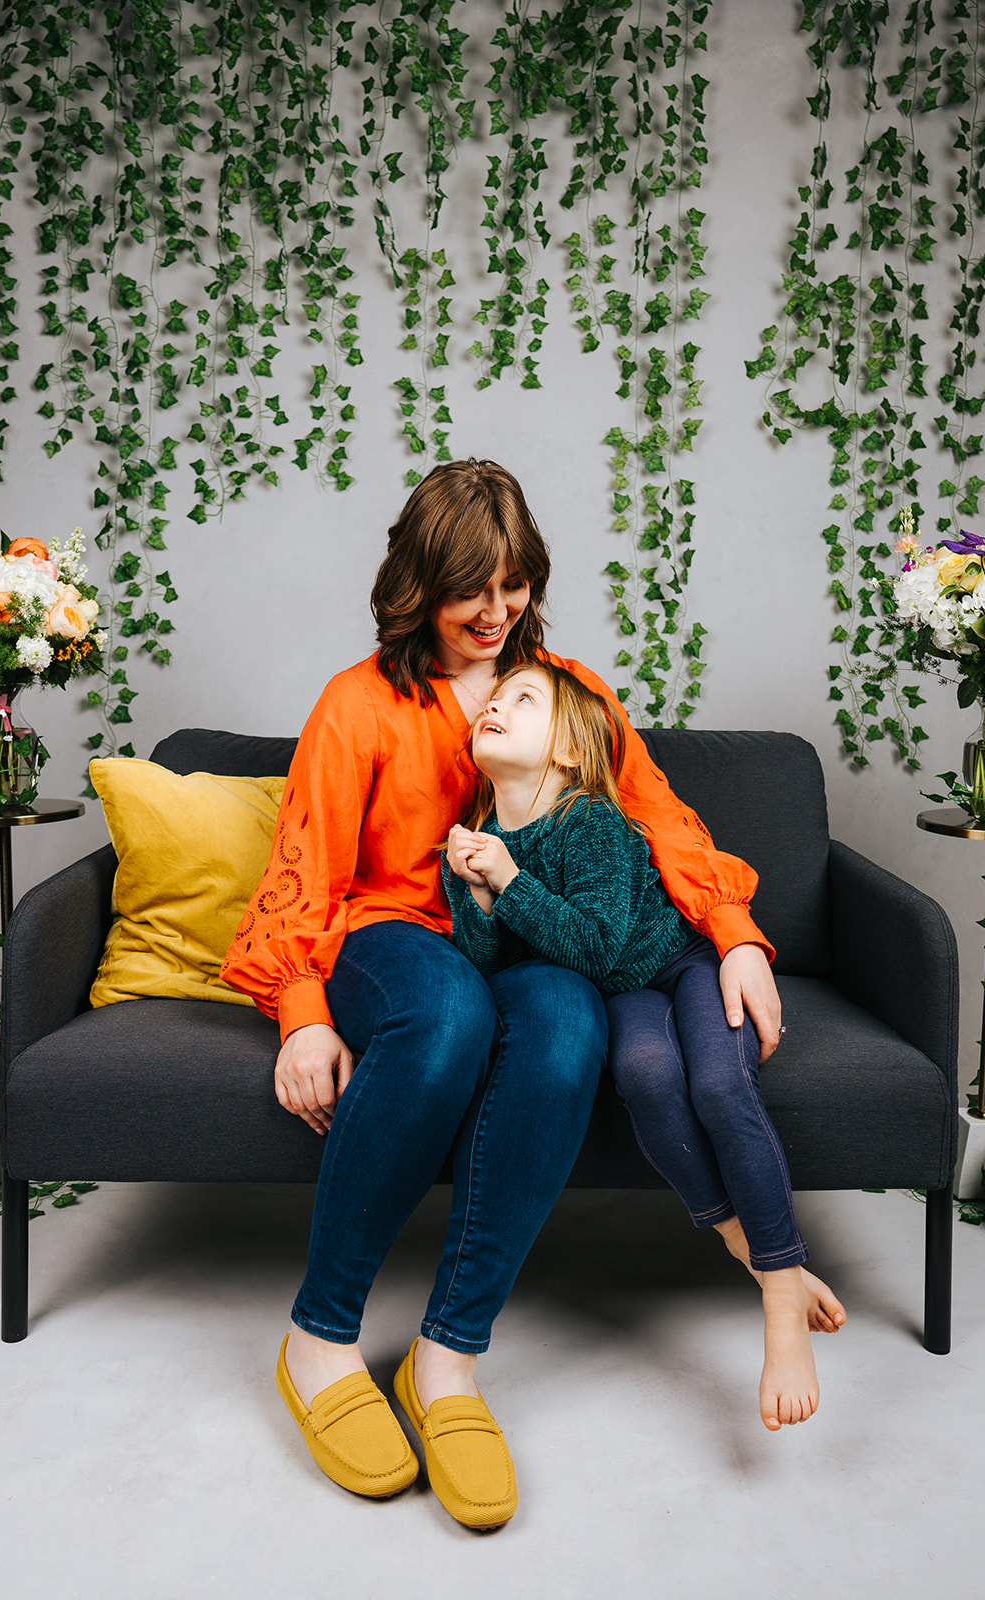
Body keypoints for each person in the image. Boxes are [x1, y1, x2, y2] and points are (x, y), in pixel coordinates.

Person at [220, 459, 786, 1528]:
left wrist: (738, 936)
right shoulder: (358, 704)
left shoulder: (567, 692)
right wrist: (301, 1010)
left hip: (523, 928)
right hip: (393, 932)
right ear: (416, 583)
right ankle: (320, 1336)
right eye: (469, 586)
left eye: (515, 581)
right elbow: (302, 871)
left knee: (569, 1021)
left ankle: (447, 1357)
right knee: (449, 1016)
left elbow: (658, 820)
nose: (495, 610)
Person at [443, 659, 846, 1432]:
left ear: (565, 749)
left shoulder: (588, 820)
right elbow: (490, 966)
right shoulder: (476, 841)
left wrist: (513, 879)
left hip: (682, 961)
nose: (493, 707)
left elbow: (593, 946)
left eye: (520, 700)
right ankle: (743, 1241)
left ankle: (779, 1296)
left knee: (720, 1088)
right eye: (490, 701)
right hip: (624, 995)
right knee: (643, 1074)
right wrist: (479, 893)